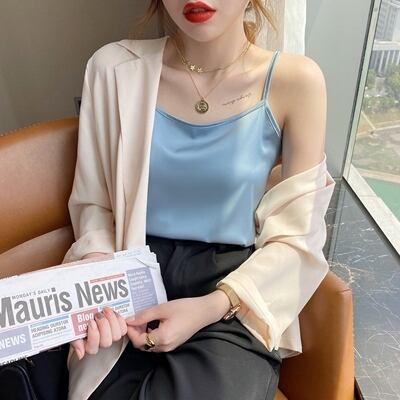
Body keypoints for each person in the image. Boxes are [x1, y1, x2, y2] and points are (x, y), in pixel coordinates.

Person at [63, 0, 331, 399]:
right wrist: (99, 282)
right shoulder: (113, 68)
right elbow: (94, 204)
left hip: (233, 294)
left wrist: (212, 305)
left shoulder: (295, 81)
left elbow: (299, 236)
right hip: (127, 277)